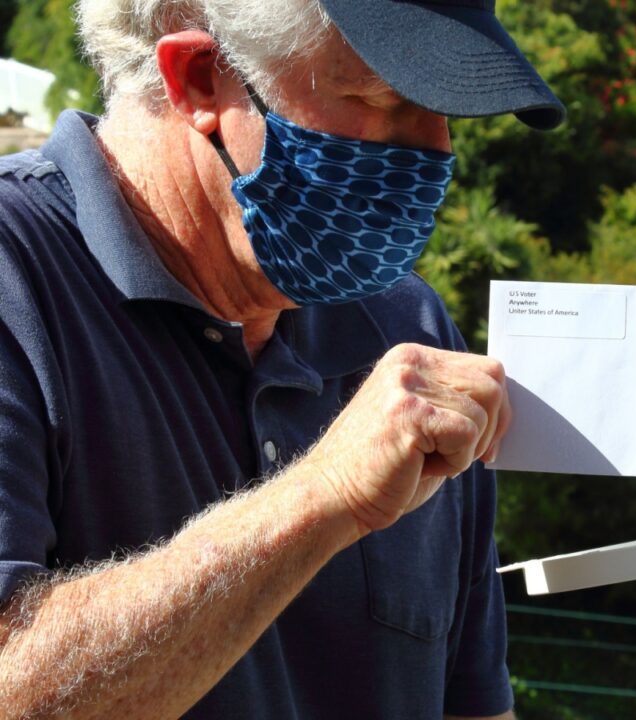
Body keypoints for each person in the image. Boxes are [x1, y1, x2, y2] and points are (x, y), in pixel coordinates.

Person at [0, 0, 564, 717]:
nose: (436, 152)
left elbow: (473, 705)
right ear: (199, 79)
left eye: (445, 113)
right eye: (379, 98)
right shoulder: (18, 278)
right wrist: (326, 495)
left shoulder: (410, 329)